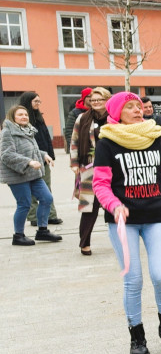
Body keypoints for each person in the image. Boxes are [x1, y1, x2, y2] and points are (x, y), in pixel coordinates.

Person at [92, 92, 161, 354]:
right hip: (123, 221)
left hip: (156, 215)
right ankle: (137, 337)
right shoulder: (107, 142)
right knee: (133, 280)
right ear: (116, 113)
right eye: (130, 107)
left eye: (139, 106)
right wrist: (114, 205)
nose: (137, 110)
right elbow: (100, 185)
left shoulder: (156, 138)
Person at [2, 105, 61, 246]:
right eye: (20, 115)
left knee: (47, 198)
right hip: (17, 175)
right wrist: (28, 162)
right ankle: (18, 235)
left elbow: (31, 150)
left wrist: (43, 154)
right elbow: (6, 155)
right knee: (24, 204)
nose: (24, 117)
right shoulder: (7, 132)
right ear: (12, 117)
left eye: (26, 115)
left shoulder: (28, 130)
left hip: (33, 174)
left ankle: (42, 230)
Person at [70, 87, 112, 256]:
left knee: (114, 206)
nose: (95, 103)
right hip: (88, 168)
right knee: (89, 208)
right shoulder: (83, 118)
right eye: (93, 100)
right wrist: (74, 163)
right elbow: (74, 141)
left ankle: (123, 239)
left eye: (99, 100)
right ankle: (84, 243)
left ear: (107, 100)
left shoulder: (115, 117)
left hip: (112, 168)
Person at [18, 91, 62, 227]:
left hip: (44, 158)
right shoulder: (23, 119)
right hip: (29, 161)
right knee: (31, 190)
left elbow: (46, 138)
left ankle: (51, 215)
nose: (38, 104)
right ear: (28, 102)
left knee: (46, 188)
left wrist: (50, 154)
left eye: (39, 101)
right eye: (36, 101)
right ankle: (33, 217)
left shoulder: (39, 117)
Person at [64, 87, 92, 152]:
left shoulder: (96, 111)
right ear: (84, 98)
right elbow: (69, 131)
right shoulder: (75, 112)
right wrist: (72, 147)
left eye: (92, 96)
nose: (91, 98)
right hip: (81, 147)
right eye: (89, 96)